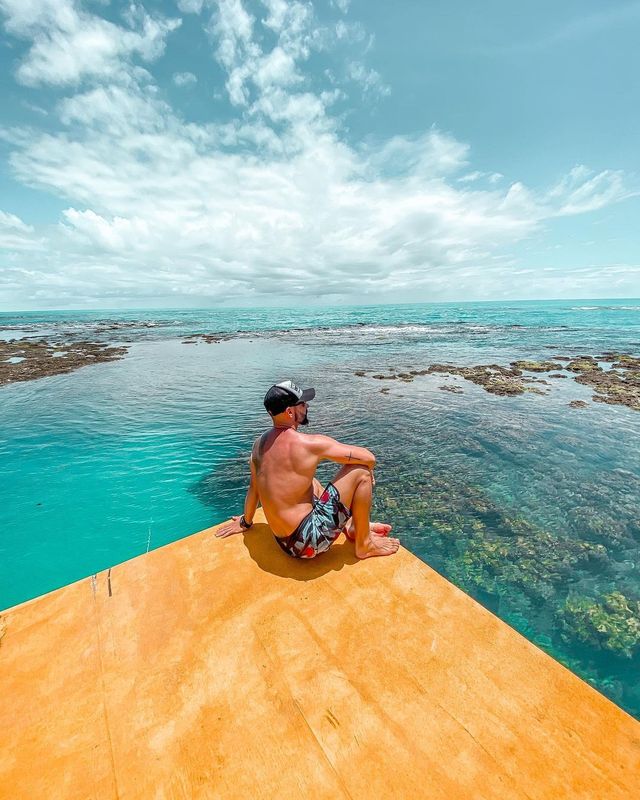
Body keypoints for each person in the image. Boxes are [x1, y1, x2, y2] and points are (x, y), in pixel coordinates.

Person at [215, 380, 400, 559]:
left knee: (310, 481)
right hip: (309, 544)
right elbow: (369, 457)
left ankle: (352, 526)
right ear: (289, 412)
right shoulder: (309, 444)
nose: (307, 407)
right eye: (302, 404)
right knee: (360, 472)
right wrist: (370, 469)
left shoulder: (258, 446)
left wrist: (245, 522)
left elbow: (254, 488)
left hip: (284, 542)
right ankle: (364, 544)